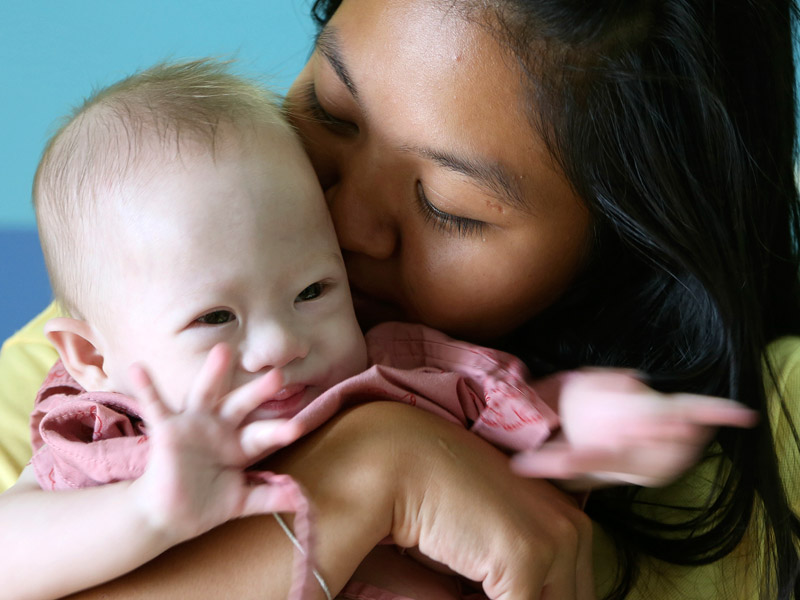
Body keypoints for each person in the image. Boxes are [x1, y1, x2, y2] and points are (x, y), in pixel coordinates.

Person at [0, 0, 798, 598]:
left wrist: (582, 419)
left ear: (634, 249)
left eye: (448, 206)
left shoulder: (778, 425)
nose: (339, 227)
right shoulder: (113, 365)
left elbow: (502, 405)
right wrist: (379, 472)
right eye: (329, 112)